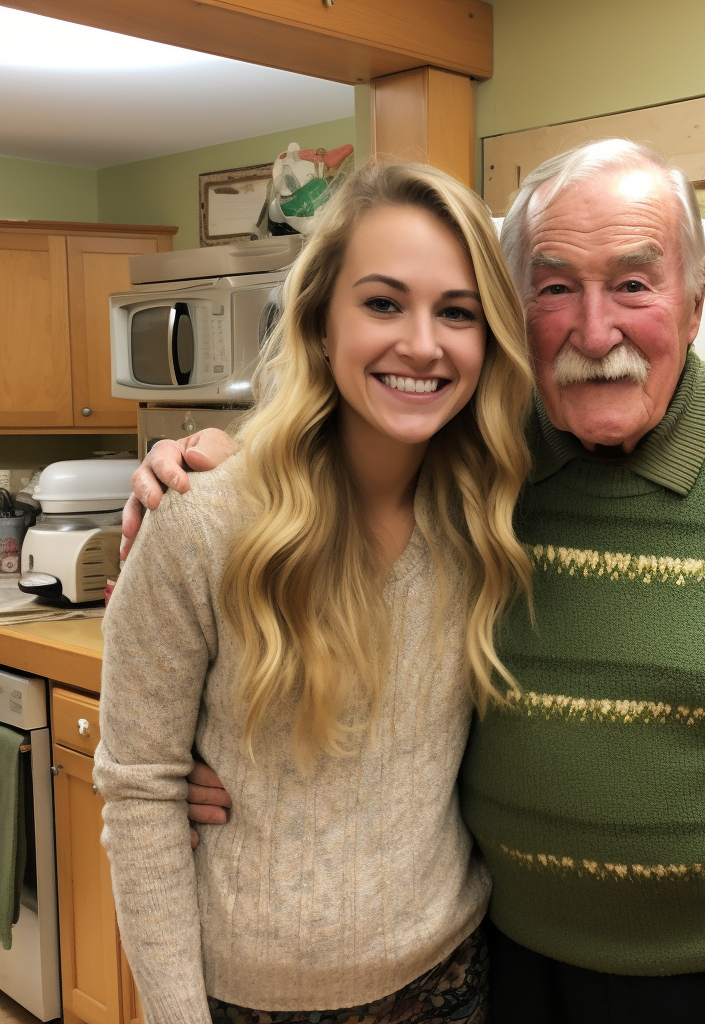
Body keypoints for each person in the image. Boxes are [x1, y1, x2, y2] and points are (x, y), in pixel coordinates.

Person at [126, 140, 705, 1024]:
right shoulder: (477, 461)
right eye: (554, 286)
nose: (594, 330)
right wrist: (208, 469)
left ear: (695, 298)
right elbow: (329, 496)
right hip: (519, 979)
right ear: (516, 311)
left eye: (634, 284)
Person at [94, 161, 537, 1024]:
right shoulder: (202, 524)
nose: (422, 342)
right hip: (246, 1003)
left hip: (451, 982)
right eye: (382, 303)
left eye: (458, 312)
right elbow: (142, 790)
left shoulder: (489, 517)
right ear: (321, 326)